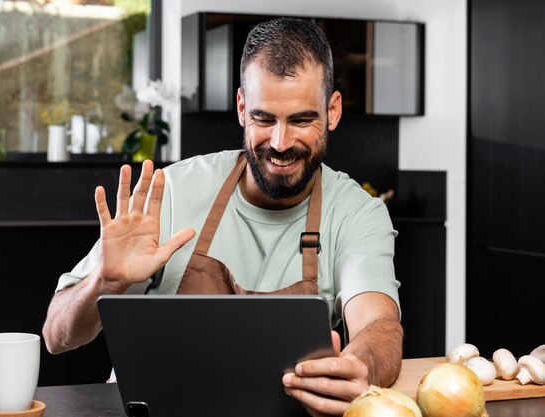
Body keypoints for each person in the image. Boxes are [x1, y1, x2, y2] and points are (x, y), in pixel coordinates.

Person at [43, 17, 403, 416]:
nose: (280, 143)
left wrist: (362, 366)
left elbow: (379, 327)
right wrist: (103, 282)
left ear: (332, 111)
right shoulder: (173, 192)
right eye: (264, 119)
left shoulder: (356, 213)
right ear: (241, 108)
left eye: (301, 120)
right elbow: (57, 337)